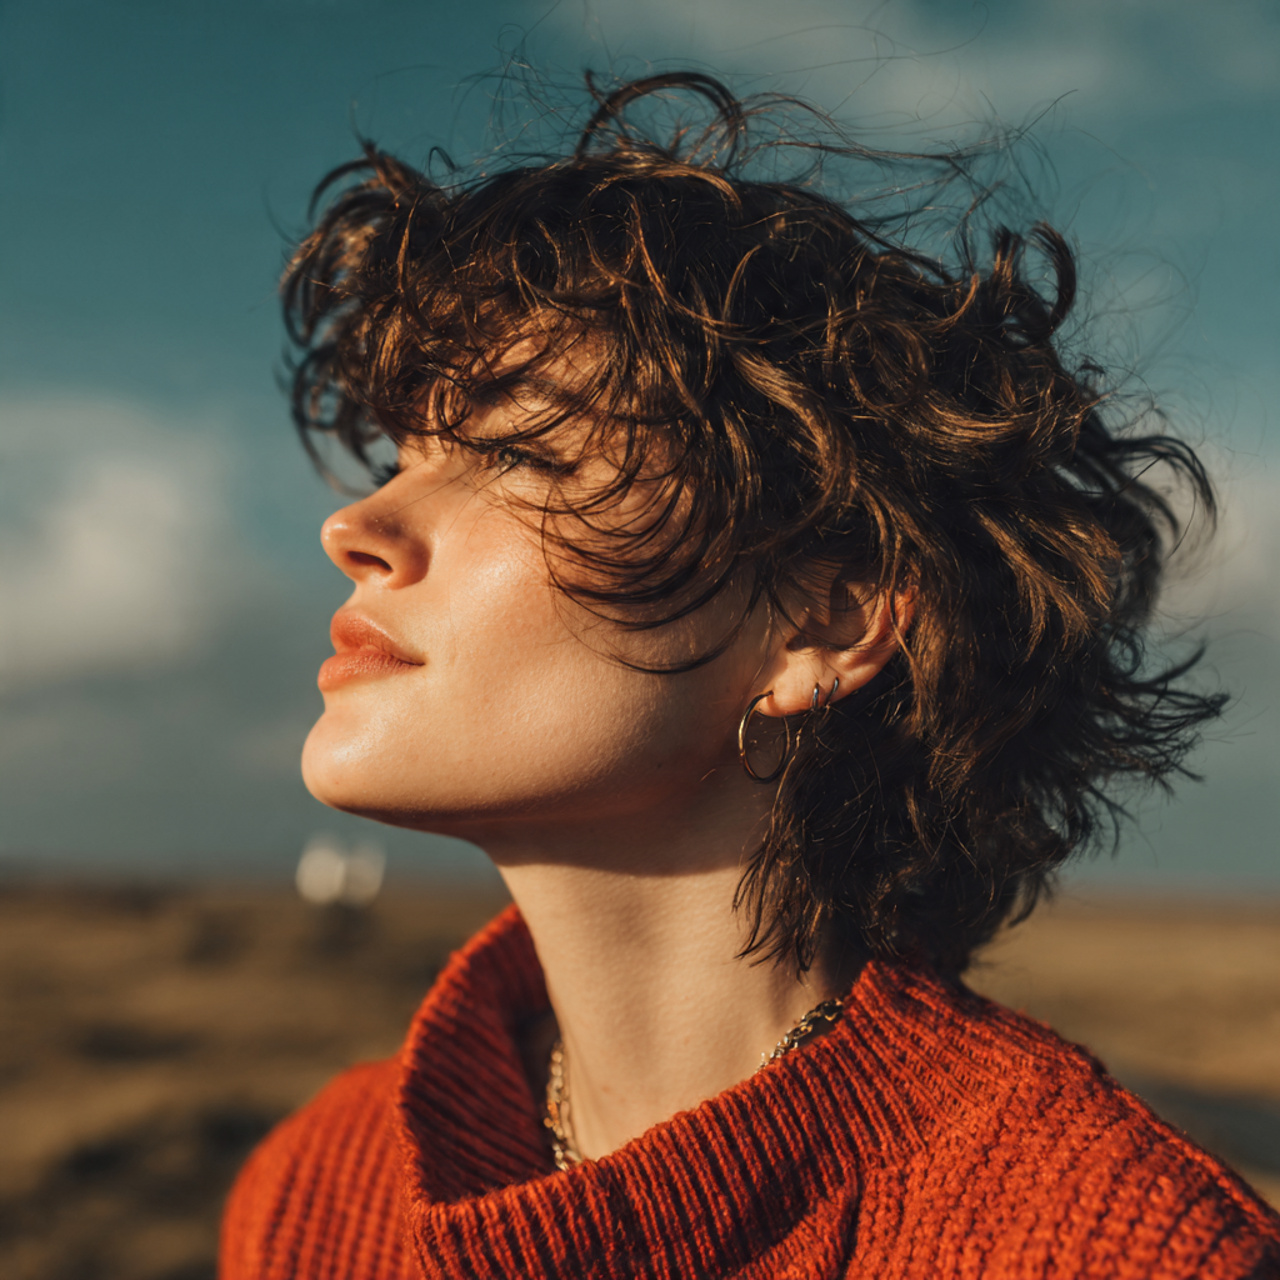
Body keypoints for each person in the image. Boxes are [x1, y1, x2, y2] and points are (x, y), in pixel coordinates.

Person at [218, 72, 1280, 1279]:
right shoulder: (317, 1189)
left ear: (823, 622)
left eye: (517, 451)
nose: (353, 525)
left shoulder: (1106, 1250)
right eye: (404, 455)